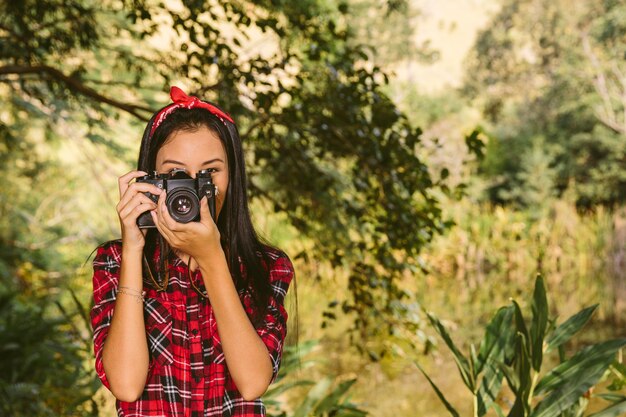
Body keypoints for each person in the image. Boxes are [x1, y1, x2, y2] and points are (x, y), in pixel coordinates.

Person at [90, 86, 295, 417]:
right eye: (175, 174)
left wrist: (211, 258)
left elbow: (253, 381)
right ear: (150, 178)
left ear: (233, 176)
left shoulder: (267, 266)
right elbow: (126, 385)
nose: (190, 190)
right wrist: (133, 248)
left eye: (210, 172)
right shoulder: (114, 261)